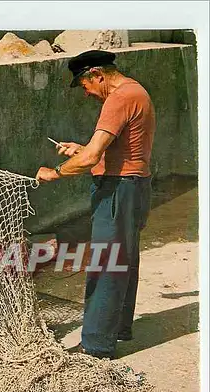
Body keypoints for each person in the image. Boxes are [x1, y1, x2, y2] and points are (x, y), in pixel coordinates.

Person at [36, 50, 156, 360]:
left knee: (106, 264)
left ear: (97, 75)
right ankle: (117, 329)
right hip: (134, 186)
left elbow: (91, 158)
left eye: (85, 85)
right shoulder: (136, 91)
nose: (87, 93)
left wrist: (56, 173)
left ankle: (96, 347)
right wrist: (81, 149)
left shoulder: (117, 99)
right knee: (124, 260)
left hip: (118, 189)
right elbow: (112, 149)